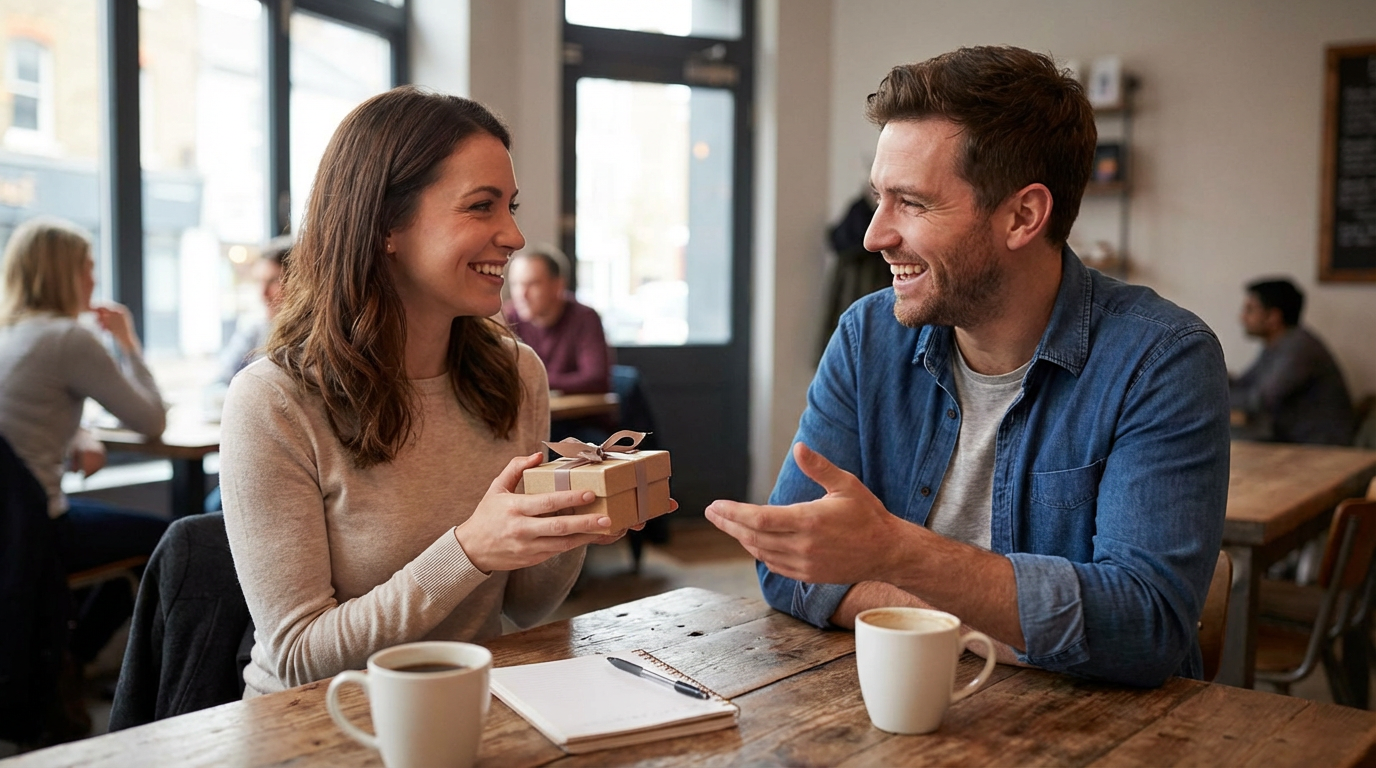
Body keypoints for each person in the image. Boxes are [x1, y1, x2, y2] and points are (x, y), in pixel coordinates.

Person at [705, 46, 1231, 687]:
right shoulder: (868, 336)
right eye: (879, 197)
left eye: (913, 203)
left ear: (1022, 216)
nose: (874, 235)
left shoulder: (1161, 360)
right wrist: (975, 625)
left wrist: (894, 554)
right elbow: (788, 567)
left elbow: (1144, 626)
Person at [220, 86, 642, 698]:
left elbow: (525, 606)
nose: (515, 236)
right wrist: (468, 549)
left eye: (512, 207)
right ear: (387, 224)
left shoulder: (516, 373)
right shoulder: (273, 401)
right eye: (481, 207)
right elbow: (298, 658)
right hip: (320, 727)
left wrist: (570, 527)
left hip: (468, 703)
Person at [0, 216, 168, 672]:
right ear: (63, 274)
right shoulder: (68, 338)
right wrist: (127, 341)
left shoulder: (11, 334)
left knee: (119, 561)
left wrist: (78, 431)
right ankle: (74, 664)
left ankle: (68, 665)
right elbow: (151, 420)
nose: (94, 278)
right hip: (39, 527)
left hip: (12, 527)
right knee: (170, 540)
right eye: (87, 266)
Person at [1229, 278, 1355, 445]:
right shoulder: (1275, 344)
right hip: (1290, 439)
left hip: (1321, 448)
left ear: (1273, 316)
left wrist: (1210, 397)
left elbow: (1260, 400)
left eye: (1250, 310)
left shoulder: (1299, 347)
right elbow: (1244, 384)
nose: (1242, 317)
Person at [503, 246, 612, 395]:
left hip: (579, 416)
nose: (522, 294)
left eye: (533, 284)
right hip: (534, 415)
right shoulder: (507, 317)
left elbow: (595, 379)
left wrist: (532, 380)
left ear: (558, 285)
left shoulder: (584, 317)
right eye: (516, 284)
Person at [216, 235, 291, 385]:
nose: (263, 294)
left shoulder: (316, 341)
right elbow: (219, 382)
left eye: (273, 281)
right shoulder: (255, 332)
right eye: (259, 282)